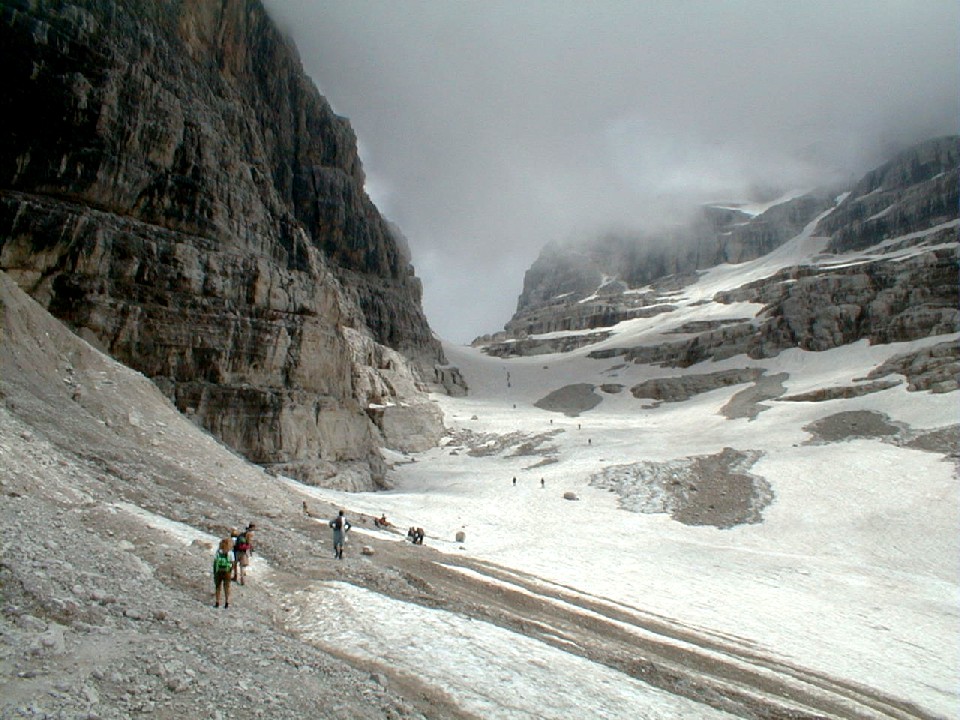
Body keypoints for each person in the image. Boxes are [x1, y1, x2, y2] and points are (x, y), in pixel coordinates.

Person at [213, 537, 233, 609]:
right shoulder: (230, 552)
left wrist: (214, 571)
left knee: (218, 587)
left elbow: (215, 561)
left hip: (218, 571)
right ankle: (226, 603)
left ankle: (217, 602)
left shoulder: (218, 551)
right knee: (227, 587)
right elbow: (232, 562)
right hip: (227, 571)